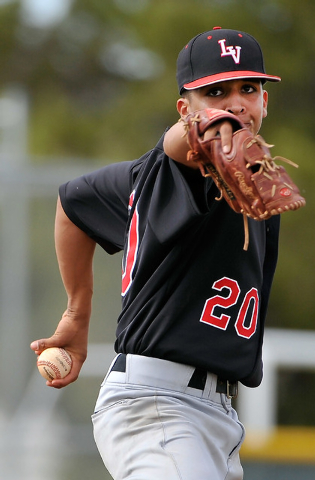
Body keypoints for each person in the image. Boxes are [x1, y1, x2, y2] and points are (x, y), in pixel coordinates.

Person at [31, 27, 282, 480]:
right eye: (215, 91)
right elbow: (182, 141)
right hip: (158, 406)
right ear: (186, 108)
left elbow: (72, 204)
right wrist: (210, 127)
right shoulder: (183, 167)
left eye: (249, 89)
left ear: (266, 102)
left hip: (216, 418)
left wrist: (77, 313)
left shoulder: (247, 180)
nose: (236, 101)